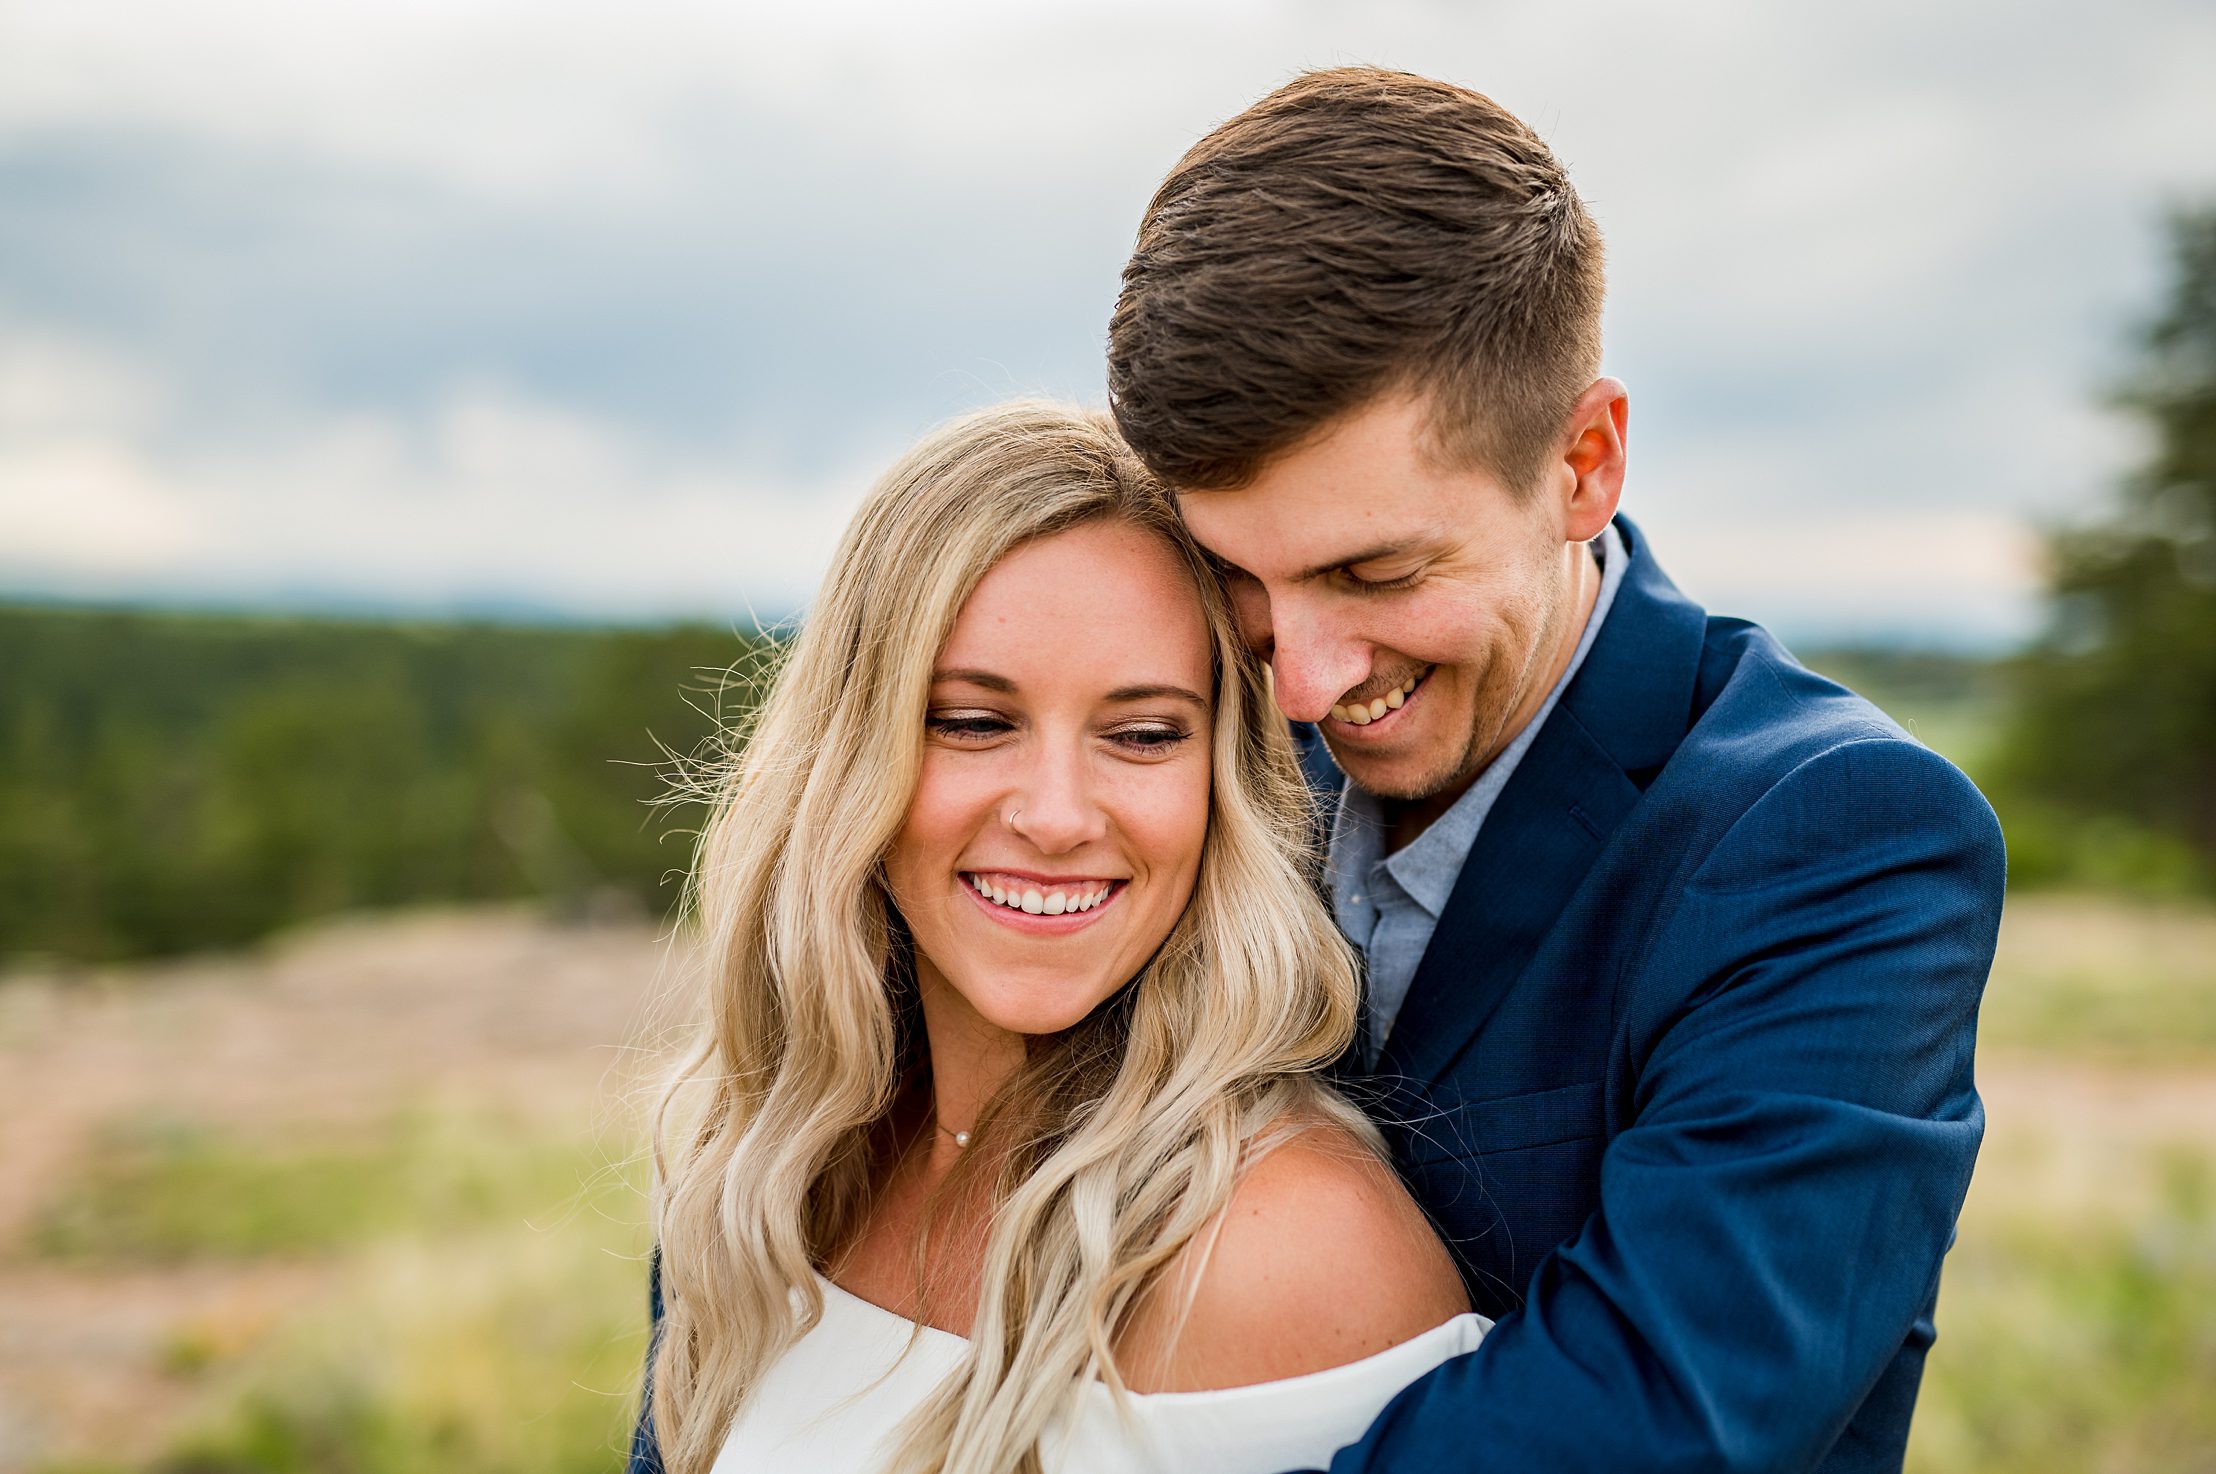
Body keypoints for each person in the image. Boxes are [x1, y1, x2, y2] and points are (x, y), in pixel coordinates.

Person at [1103, 67, 2008, 1473]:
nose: (1298, 681)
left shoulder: (1844, 838)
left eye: (1377, 570)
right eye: (1237, 575)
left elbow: (1656, 1421)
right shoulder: (1161, 745)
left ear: (1584, 462)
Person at [625, 402, 1484, 1474]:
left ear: (1222, 783)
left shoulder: (1285, 1252)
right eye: (974, 721)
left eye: (1140, 734)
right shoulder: (782, 1168)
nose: (1058, 814)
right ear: (850, 758)